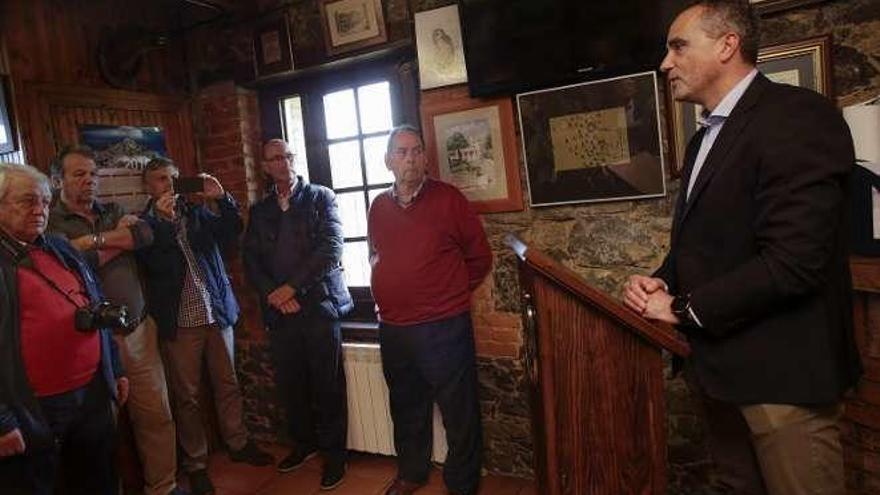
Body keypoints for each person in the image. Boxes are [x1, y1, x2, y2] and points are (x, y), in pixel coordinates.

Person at [621, 2, 862, 494]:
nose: (665, 63)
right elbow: (706, 240)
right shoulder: (701, 138)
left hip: (783, 383)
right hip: (718, 373)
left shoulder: (797, 118)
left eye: (678, 45)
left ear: (728, 44)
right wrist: (664, 277)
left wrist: (682, 308)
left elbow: (795, 263)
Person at [46, 145, 187, 495]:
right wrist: (114, 241)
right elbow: (67, 262)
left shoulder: (113, 210)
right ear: (57, 180)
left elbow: (144, 235)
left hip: (138, 328)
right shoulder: (48, 222)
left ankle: (163, 488)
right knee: (102, 431)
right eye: (79, 174)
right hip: (91, 341)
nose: (89, 181)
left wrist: (88, 243)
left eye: (93, 174)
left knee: (156, 415)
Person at [368, 125, 492, 495]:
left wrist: (448, 293)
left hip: (443, 326)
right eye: (402, 152)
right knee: (406, 406)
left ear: (425, 157)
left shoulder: (449, 199)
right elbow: (376, 254)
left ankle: (463, 483)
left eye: (417, 151)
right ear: (388, 160)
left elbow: (479, 256)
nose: (411, 158)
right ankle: (411, 473)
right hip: (394, 328)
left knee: (459, 411)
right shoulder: (378, 206)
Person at [137, 157, 272, 495]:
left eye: (172, 177)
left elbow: (231, 232)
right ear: (147, 186)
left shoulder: (196, 212)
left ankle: (238, 443)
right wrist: (166, 223)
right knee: (188, 397)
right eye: (159, 179)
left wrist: (220, 197)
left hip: (216, 313)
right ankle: (196, 463)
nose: (167, 184)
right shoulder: (143, 225)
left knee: (228, 383)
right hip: (180, 324)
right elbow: (153, 263)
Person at [0, 162, 128, 495]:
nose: (40, 210)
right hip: (34, 407)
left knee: (98, 479)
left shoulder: (60, 248)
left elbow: (96, 307)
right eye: (27, 200)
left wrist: (116, 368)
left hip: (92, 392)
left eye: (44, 201)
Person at [242, 138, 352, 490]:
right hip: (280, 313)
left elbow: (331, 248)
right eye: (274, 158)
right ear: (265, 166)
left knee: (327, 385)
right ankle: (304, 445)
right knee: (292, 387)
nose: (282, 162)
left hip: (319, 308)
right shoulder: (260, 211)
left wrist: (292, 287)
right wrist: (275, 295)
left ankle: (335, 456)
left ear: (295, 159)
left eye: (287, 156)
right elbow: (251, 261)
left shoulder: (322, 197)